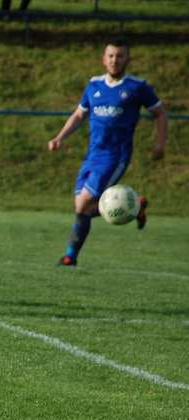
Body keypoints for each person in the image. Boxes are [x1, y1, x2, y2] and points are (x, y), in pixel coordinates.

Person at [47, 39, 167, 267]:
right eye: (111, 55)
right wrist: (59, 137)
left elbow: (160, 113)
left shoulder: (138, 87)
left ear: (128, 59)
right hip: (92, 156)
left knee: (83, 206)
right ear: (104, 59)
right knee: (81, 208)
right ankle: (134, 207)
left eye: (120, 56)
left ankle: (70, 257)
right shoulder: (94, 85)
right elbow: (79, 115)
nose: (115, 60)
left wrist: (160, 144)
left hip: (116, 156)